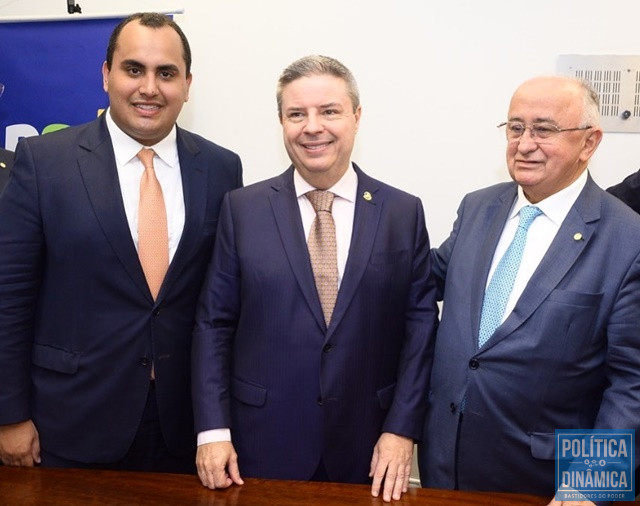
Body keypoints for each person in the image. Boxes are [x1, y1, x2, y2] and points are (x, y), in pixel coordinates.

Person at [0, 12, 242, 473]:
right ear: (106, 74)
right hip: (69, 421)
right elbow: (9, 298)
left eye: (166, 73)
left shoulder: (221, 168)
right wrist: (9, 416)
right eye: (134, 69)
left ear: (187, 84)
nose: (149, 87)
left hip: (182, 426)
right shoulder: (44, 162)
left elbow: (220, 304)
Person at [191, 55, 439, 502]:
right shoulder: (241, 210)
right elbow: (214, 325)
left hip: (368, 449)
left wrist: (402, 429)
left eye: (329, 111)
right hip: (258, 446)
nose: (312, 127)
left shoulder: (402, 213)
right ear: (281, 122)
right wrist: (213, 430)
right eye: (296, 114)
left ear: (356, 118)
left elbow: (420, 330)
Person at [417, 76, 640, 506]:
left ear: (589, 143)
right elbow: (424, 280)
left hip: (547, 483)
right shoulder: (478, 206)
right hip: (443, 463)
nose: (524, 143)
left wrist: (592, 486)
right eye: (515, 127)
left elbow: (632, 383)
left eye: (544, 129)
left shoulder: (627, 240)